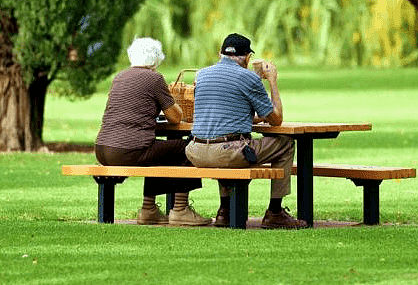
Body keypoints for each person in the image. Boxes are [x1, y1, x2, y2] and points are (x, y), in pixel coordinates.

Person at [185, 33, 307, 229]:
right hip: (226, 152)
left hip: (195, 151)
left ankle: (225, 211)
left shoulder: (201, 75)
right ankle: (275, 212)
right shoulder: (249, 77)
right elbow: (276, 119)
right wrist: (272, 80)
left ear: (220, 53)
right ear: (248, 57)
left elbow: (229, 113)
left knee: (224, 144)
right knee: (284, 143)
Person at [95, 38, 211, 226]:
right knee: (189, 148)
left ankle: (149, 210)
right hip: (127, 151)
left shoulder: (120, 76)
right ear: (156, 60)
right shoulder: (154, 78)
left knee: (156, 151)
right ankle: (180, 210)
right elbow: (175, 117)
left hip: (102, 150)